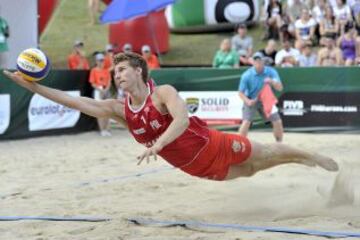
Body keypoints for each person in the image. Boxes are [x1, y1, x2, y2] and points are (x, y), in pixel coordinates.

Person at [2, 53, 338, 181]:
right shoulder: (119, 110)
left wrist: (156, 145)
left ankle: (308, 155)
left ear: (138, 71)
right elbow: (71, 101)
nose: (117, 75)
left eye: (121, 69)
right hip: (195, 167)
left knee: (263, 153)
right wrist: (30, 85)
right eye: (115, 71)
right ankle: (296, 159)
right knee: (252, 172)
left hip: (214, 145)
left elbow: (179, 121)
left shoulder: (162, 93)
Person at [238, 52, 284, 142]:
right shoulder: (246, 75)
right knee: (246, 122)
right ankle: (239, 144)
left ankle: (279, 144)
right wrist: (247, 101)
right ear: (253, 63)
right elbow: (240, 93)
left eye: (260, 61)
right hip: (251, 99)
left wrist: (272, 82)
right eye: (256, 61)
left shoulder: (271, 71)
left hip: (265, 99)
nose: (258, 63)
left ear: (263, 62)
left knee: (277, 121)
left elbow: (280, 88)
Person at [89, 53, 112, 136]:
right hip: (98, 90)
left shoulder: (106, 70)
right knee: (99, 111)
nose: (101, 62)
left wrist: (106, 90)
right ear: (96, 61)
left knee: (108, 110)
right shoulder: (94, 70)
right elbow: (92, 83)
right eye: (100, 60)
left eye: (102, 60)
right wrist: (100, 90)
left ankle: (108, 129)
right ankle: (102, 130)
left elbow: (109, 81)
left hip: (106, 90)